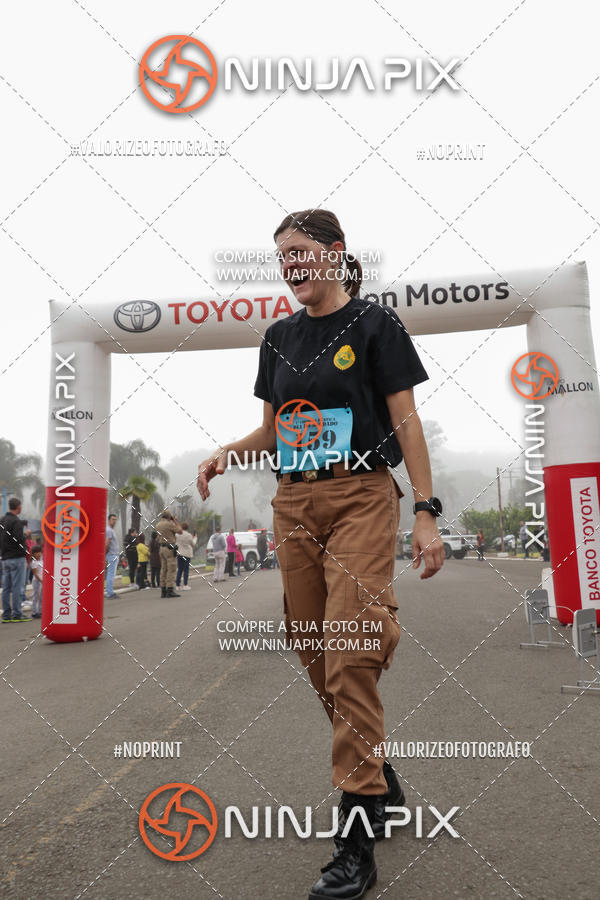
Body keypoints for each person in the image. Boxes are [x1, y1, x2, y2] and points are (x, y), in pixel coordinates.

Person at [197, 209, 444, 899]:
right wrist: (227, 452)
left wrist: (425, 510)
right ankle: (378, 774)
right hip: (294, 503)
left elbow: (405, 420)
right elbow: (276, 430)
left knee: (350, 644)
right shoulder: (278, 339)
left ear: (336, 253)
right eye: (282, 257)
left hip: (362, 495)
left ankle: (356, 837)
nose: (291, 265)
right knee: (315, 653)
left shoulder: (375, 324)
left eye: (301, 251)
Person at [1, 498, 32, 623]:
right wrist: (26, 534)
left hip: (5, 558)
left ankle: (6, 615)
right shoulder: (16, 521)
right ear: (18, 507)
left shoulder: (2, 520)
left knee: (6, 588)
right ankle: (17, 614)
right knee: (17, 587)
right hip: (17, 558)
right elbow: (18, 539)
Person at [155, 510, 183, 598]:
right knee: (171, 569)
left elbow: (157, 538)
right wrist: (175, 521)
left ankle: (163, 590)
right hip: (169, 549)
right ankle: (170, 590)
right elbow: (180, 531)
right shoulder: (169, 524)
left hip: (161, 548)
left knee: (163, 569)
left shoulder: (158, 525)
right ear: (169, 517)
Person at [175, 522, 196, 590]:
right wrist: (195, 538)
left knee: (179, 569)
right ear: (187, 528)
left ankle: (177, 585)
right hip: (187, 554)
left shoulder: (177, 534)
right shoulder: (189, 535)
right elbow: (193, 544)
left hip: (179, 553)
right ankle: (185, 585)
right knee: (186, 570)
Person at [105, 513, 120, 599]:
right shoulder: (109, 530)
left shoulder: (111, 530)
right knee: (110, 574)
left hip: (113, 555)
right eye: (113, 519)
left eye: (115, 520)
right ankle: (110, 593)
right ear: (109, 520)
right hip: (112, 555)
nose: (114, 521)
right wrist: (105, 553)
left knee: (111, 574)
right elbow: (107, 543)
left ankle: (110, 592)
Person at [30, 545, 43, 617]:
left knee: (41, 597)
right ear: (33, 554)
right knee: (36, 596)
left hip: (42, 581)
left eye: (40, 552)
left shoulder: (42, 560)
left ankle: (40, 611)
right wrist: (41, 581)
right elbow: (35, 574)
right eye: (37, 552)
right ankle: (34, 612)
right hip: (37, 581)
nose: (39, 554)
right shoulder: (34, 562)